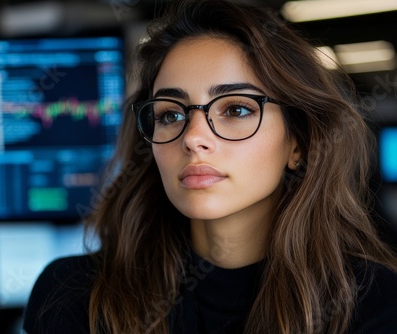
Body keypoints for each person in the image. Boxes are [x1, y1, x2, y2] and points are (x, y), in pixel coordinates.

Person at [23, 0, 397, 333]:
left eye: (236, 109)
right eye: (170, 114)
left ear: (297, 144)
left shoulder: (375, 304)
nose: (192, 137)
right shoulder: (75, 295)